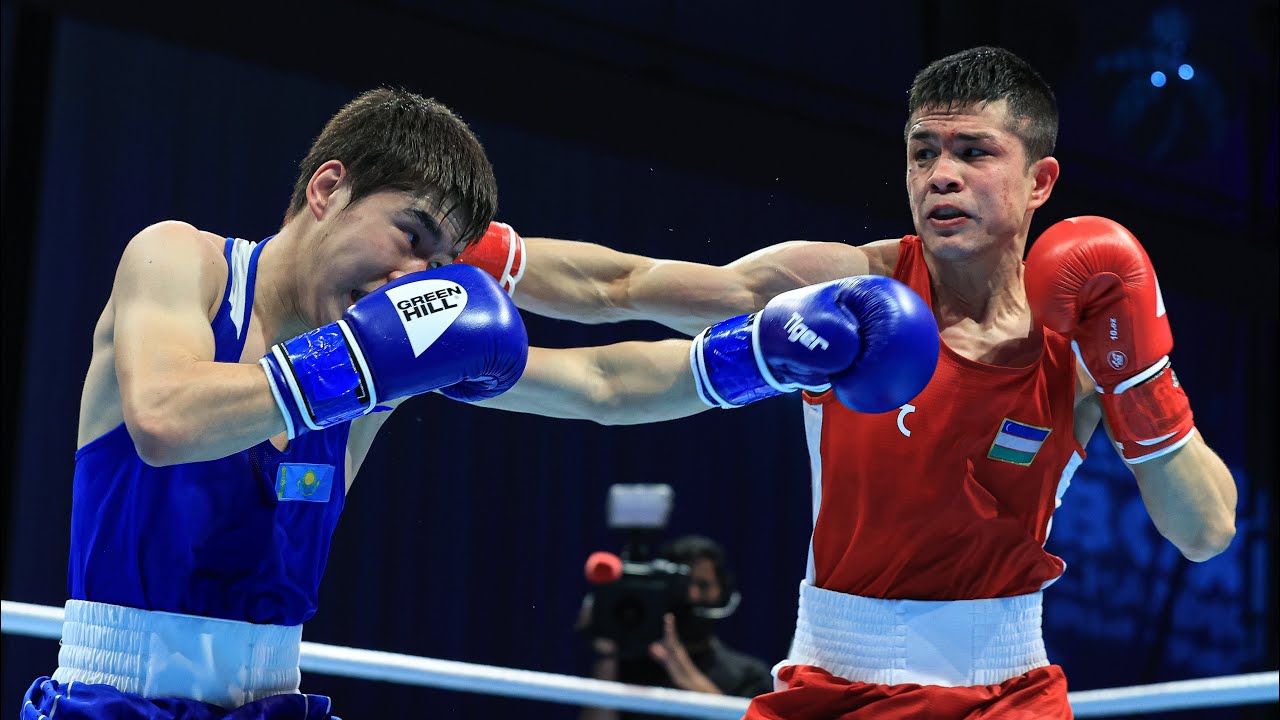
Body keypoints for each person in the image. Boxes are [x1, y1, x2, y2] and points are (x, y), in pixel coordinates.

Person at [460, 46, 1238, 718]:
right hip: (831, 680)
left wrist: (1141, 374)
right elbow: (629, 285)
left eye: (973, 152)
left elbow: (1204, 534)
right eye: (922, 151)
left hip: (1006, 694)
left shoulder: (1080, 344)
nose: (941, 175)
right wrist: (472, 253)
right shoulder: (849, 288)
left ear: (1040, 180)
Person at [21, 87, 530, 720]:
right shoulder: (180, 260)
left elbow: (597, 382)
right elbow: (163, 419)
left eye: (440, 263)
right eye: (409, 235)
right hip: (114, 696)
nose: (416, 281)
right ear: (328, 189)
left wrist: (697, 368)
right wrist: (351, 362)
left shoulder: (381, 368)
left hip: (275, 704)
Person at [578, 535, 774, 720]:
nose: (693, 595)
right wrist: (607, 656)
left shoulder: (749, 676)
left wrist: (678, 664)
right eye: (683, 586)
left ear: (722, 591)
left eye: (703, 585)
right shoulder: (626, 667)